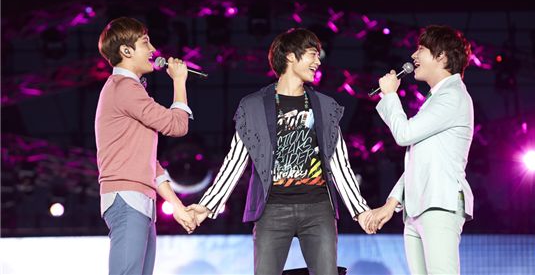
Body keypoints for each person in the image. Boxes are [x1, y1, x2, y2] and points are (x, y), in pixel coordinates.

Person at [188, 28, 374, 275]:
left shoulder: (326, 106)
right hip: (271, 210)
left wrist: (360, 211)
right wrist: (207, 206)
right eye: (312, 54)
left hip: (318, 209)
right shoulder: (253, 105)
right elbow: (235, 161)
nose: (318, 61)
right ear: (289, 56)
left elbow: (339, 164)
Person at [369, 25, 474, 275]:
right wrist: (390, 204)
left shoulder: (453, 96)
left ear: (442, 57)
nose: (413, 56)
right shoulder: (435, 99)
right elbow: (421, 163)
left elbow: (404, 134)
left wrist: (390, 96)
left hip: (439, 204)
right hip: (418, 207)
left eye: (421, 49)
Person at [95, 17, 196, 275]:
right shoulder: (125, 88)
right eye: (145, 43)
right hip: (127, 199)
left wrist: (177, 207)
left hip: (139, 200)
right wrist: (180, 81)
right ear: (126, 51)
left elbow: (150, 164)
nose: (153, 50)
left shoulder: (128, 89)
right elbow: (177, 125)